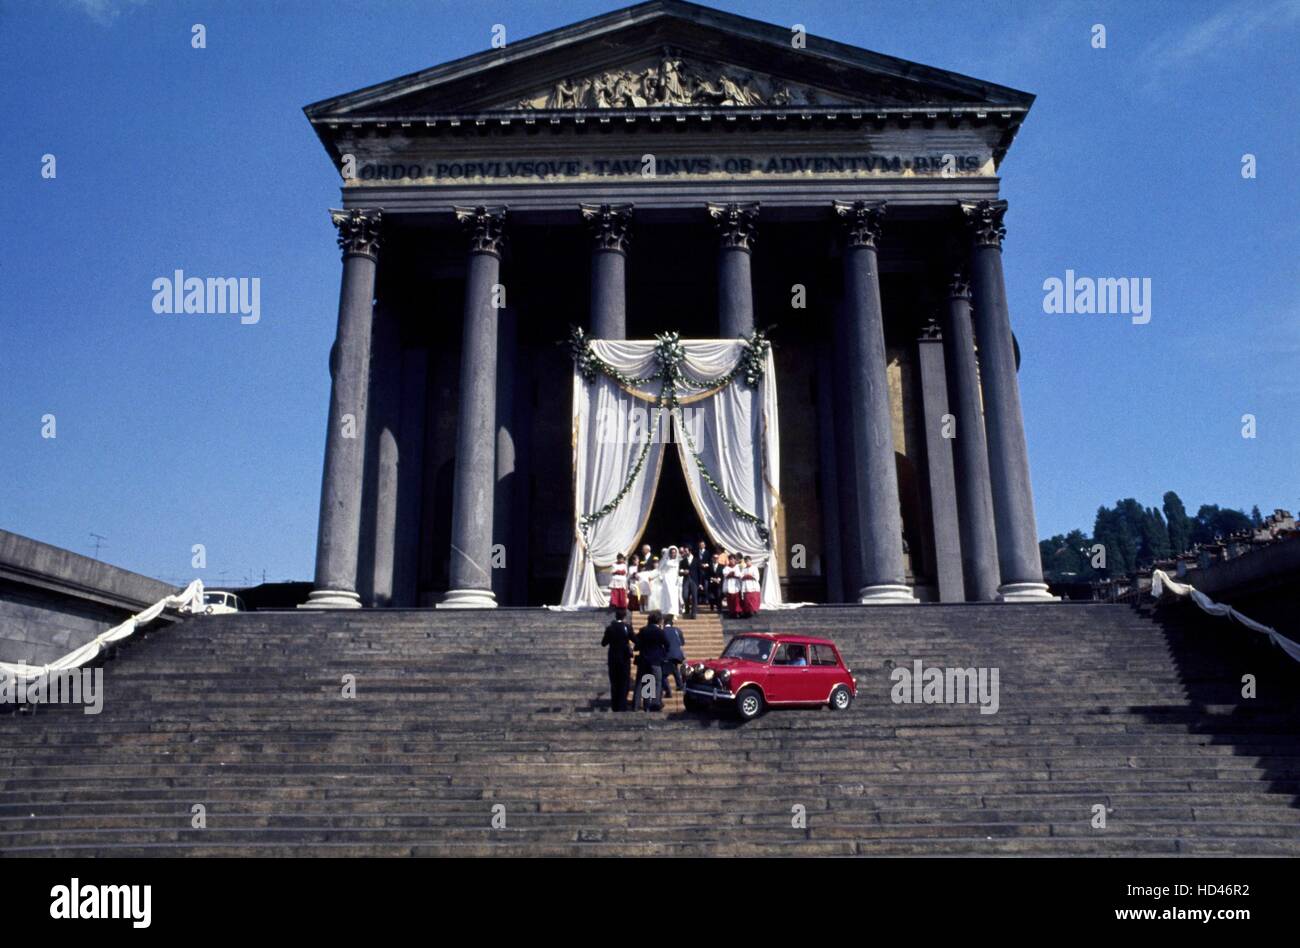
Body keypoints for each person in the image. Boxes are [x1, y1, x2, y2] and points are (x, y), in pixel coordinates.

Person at [632, 611, 669, 711]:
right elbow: (667, 645)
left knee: (641, 682)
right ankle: (654, 704)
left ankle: (636, 705)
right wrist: (663, 654)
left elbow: (636, 643)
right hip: (656, 661)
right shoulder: (660, 632)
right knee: (656, 682)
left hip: (643, 659)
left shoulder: (643, 630)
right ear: (659, 620)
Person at [601, 609, 635, 711]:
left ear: (615, 616)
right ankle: (622, 704)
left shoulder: (610, 628)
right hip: (624, 659)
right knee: (624, 682)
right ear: (624, 616)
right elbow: (635, 639)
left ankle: (615, 705)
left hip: (613, 658)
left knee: (614, 682)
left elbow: (604, 643)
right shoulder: (627, 627)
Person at [647, 546, 681, 616]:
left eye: (675, 553)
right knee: (668, 595)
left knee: (674, 596)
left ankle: (673, 611)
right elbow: (659, 570)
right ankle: (667, 610)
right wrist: (652, 576)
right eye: (672, 553)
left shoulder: (678, 561)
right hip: (667, 579)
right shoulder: (666, 561)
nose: (673, 554)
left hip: (674, 580)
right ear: (669, 553)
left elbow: (678, 571)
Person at [662, 613, 686, 696]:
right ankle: (680, 685)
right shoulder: (677, 630)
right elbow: (682, 643)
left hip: (668, 654)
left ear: (664, 623)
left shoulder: (662, 631)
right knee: (675, 669)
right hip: (678, 654)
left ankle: (668, 690)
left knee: (663, 674)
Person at [679, 547, 698, 619]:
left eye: (686, 551)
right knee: (685, 595)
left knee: (694, 597)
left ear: (690, 551)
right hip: (686, 579)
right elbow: (679, 572)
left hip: (694, 580)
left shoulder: (696, 560)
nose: (685, 552)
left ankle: (694, 613)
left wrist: (700, 583)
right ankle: (687, 608)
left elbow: (699, 572)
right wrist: (683, 572)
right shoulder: (683, 561)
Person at [723, 553, 742, 618]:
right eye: (730, 559)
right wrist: (730, 574)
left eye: (733, 559)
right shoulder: (726, 567)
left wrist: (733, 574)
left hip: (735, 584)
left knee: (736, 599)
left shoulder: (737, 567)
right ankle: (732, 612)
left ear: (735, 560)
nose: (731, 561)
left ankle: (737, 611)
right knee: (730, 599)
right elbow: (725, 575)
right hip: (729, 584)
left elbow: (739, 575)